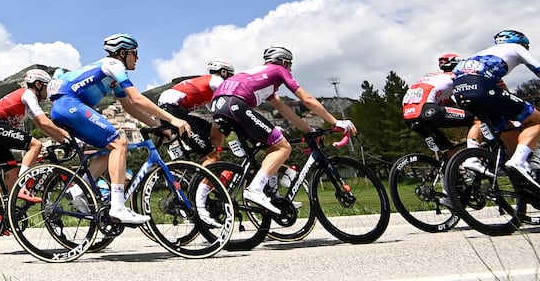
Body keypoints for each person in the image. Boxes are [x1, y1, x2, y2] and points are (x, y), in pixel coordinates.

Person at [48, 34, 192, 225]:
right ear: (123, 53)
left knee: (109, 149)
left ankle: (79, 189)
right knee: (119, 143)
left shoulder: (111, 76)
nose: (137, 58)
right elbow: (138, 99)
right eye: (135, 53)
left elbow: (130, 107)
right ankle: (118, 207)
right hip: (69, 104)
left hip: (64, 107)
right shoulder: (114, 65)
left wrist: (159, 127)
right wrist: (174, 120)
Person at [209, 46, 355, 215]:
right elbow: (306, 98)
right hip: (235, 104)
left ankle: (273, 196)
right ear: (284, 62)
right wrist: (336, 121)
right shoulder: (278, 70)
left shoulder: (261, 78)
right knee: (283, 147)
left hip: (219, 107)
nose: (291, 69)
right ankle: (255, 189)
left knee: (272, 147)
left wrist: (308, 129)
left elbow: (284, 109)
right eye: (290, 65)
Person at [450, 29, 540, 191]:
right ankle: (518, 162)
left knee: (506, 129)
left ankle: (523, 182)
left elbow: (502, 90)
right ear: (521, 43)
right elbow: (538, 69)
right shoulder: (515, 47)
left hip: (459, 92)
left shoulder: (479, 55)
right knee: (536, 119)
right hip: (482, 87)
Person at [0, 68, 71, 205]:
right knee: (36, 145)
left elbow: (42, 126)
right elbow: (45, 121)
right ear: (38, 85)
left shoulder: (26, 105)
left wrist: (62, 140)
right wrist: (68, 138)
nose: (48, 92)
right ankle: (21, 187)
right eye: (47, 87)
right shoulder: (28, 94)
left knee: (12, 173)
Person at [156, 59, 236, 162]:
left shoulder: (208, 87)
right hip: (173, 109)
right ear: (223, 72)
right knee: (211, 156)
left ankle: (216, 157)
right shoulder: (217, 80)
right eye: (230, 76)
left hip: (172, 109)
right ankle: (213, 161)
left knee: (214, 128)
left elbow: (217, 114)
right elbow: (232, 98)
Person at [402, 54, 479, 155]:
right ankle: (474, 157)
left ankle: (450, 169)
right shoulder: (455, 77)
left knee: (447, 147)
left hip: (409, 116)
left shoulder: (432, 76)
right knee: (476, 120)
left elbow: (446, 101)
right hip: (427, 110)